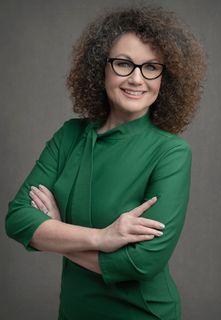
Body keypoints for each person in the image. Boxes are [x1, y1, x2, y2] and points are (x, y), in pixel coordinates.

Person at [5, 5, 206, 320]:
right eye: (124, 64)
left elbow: (141, 262)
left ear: (165, 77)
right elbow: (17, 219)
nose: (137, 79)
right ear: (101, 67)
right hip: (74, 312)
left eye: (152, 67)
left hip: (141, 314)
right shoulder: (70, 136)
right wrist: (101, 238)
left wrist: (57, 232)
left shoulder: (171, 153)